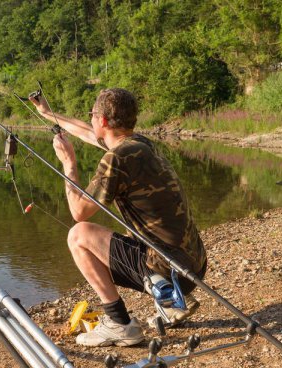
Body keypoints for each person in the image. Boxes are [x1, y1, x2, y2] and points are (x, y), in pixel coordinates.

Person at [30, 88, 207, 347]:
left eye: (92, 115)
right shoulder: (140, 145)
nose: (90, 120)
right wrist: (47, 113)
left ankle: (120, 324)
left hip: (171, 269)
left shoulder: (116, 158)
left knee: (78, 236)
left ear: (102, 120)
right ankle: (172, 302)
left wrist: (69, 164)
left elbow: (79, 212)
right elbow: (85, 132)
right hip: (195, 265)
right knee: (127, 234)